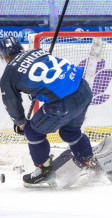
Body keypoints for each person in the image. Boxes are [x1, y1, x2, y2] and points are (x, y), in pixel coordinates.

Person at [0, 36, 95, 188]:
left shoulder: (8, 75)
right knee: (70, 132)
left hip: (64, 101)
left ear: (3, 56)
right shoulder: (37, 52)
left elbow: (11, 103)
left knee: (32, 132)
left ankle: (44, 171)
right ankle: (90, 165)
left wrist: (20, 123)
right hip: (83, 89)